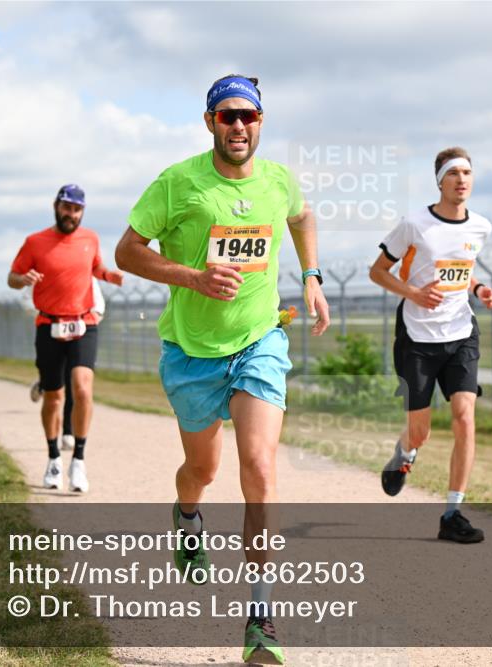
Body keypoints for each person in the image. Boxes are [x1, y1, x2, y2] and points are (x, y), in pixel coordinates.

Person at [115, 74, 330, 665]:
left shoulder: (279, 180)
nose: (239, 125)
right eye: (228, 115)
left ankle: (260, 619)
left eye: (249, 116)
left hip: (259, 341)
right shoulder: (178, 182)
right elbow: (126, 252)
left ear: (261, 122)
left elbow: (302, 217)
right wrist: (194, 277)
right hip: (191, 353)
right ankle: (187, 517)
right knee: (201, 470)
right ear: (210, 121)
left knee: (259, 467)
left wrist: (312, 277)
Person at [369, 146, 492, 544]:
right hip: (417, 339)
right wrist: (413, 293)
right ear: (440, 182)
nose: (462, 180)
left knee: (464, 416)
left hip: (461, 333)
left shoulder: (481, 227)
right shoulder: (415, 224)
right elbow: (377, 272)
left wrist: (479, 288)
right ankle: (406, 453)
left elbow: (460, 269)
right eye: (453, 174)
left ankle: (452, 513)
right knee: (421, 432)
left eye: (467, 173)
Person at [8, 184, 123, 493]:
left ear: (82, 212)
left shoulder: (90, 239)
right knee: (54, 397)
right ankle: (54, 459)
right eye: (67, 207)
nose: (71, 214)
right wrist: (23, 279)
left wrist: (110, 276)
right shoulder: (35, 242)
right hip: (49, 325)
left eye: (76, 209)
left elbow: (95, 267)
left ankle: (79, 461)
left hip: (84, 323)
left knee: (83, 389)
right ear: (56, 206)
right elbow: (12, 277)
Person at [29, 277, 106, 453]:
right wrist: (50, 315)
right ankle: (44, 383)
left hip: (79, 331)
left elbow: (98, 303)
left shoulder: (85, 273)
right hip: (50, 330)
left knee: (76, 383)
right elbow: (28, 300)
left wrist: (91, 317)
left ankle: (68, 432)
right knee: (56, 385)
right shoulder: (43, 274)